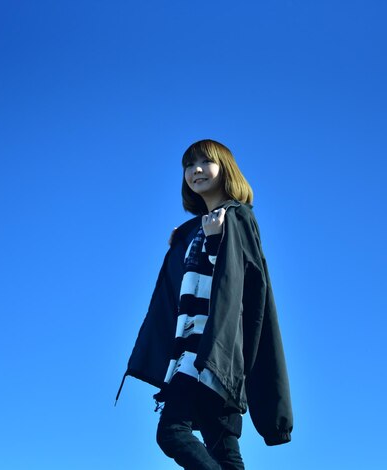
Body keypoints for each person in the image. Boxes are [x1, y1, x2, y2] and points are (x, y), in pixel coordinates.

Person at [116, 140, 293, 469]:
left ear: (225, 169)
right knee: (223, 452)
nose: (195, 170)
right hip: (193, 351)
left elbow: (238, 281)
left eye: (205, 162)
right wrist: (185, 242)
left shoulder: (237, 217)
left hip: (210, 352)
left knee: (172, 432)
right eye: (188, 165)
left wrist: (213, 239)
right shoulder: (194, 229)